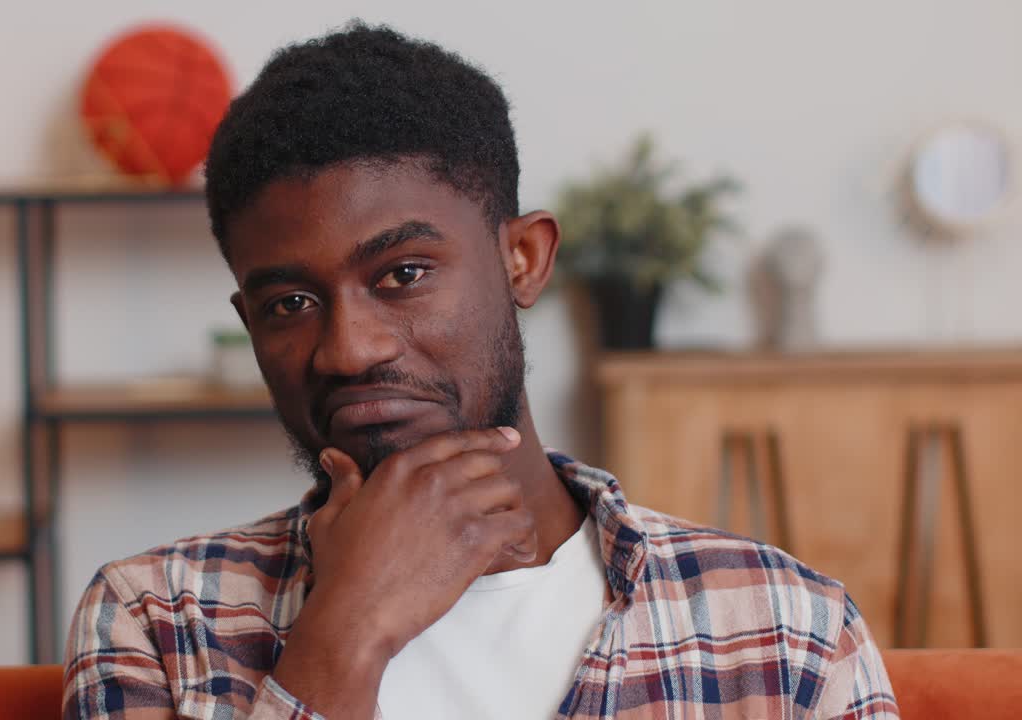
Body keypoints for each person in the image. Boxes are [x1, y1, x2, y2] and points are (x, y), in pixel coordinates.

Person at [63, 24, 897, 720]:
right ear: (248, 324)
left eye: (404, 274)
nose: (349, 350)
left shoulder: (786, 631)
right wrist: (345, 635)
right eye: (290, 303)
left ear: (524, 260)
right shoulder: (155, 620)